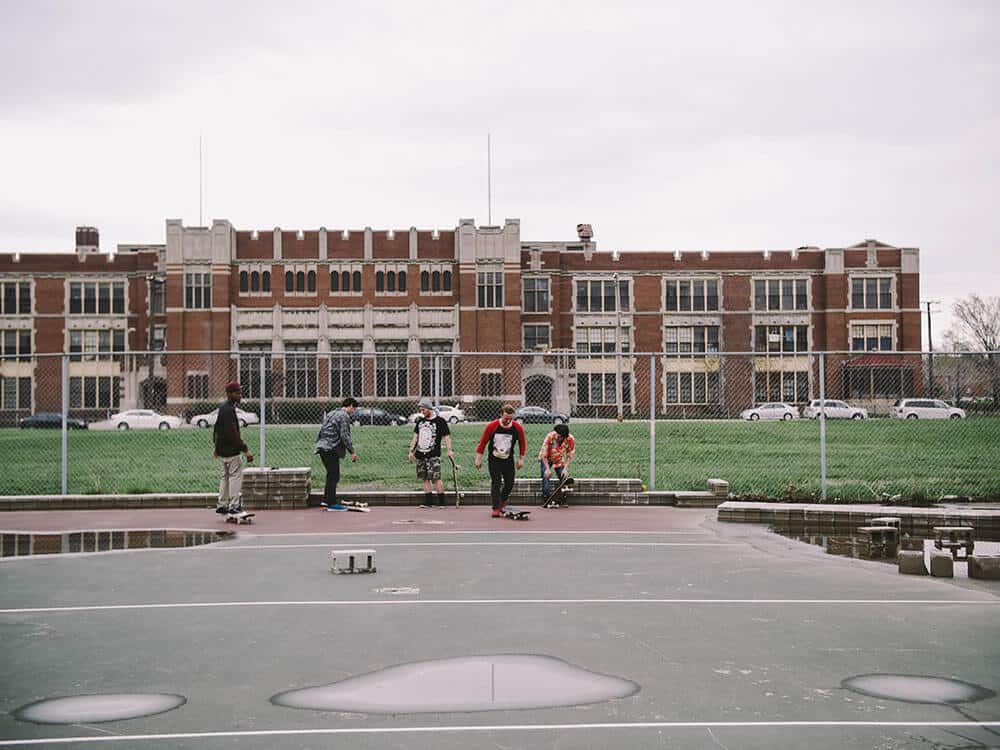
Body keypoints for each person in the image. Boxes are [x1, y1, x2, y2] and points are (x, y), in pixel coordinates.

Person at [475, 403, 526, 517]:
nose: (508, 421)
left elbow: (522, 443)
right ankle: (496, 507)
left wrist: (521, 459)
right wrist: (478, 459)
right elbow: (483, 443)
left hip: (508, 459)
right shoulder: (492, 426)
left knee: (510, 483)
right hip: (494, 459)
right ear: (501, 415)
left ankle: (502, 501)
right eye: (506, 418)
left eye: (510, 419)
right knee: (496, 482)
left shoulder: (517, 428)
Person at [213, 381, 254, 514]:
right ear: (230, 394)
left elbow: (217, 429)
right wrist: (245, 449)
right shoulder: (229, 409)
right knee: (235, 476)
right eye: (237, 393)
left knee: (224, 477)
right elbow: (233, 433)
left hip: (223, 451)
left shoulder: (223, 408)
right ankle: (234, 505)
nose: (240, 395)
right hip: (232, 451)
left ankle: (222, 504)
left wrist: (217, 447)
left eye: (240, 392)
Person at [408, 398, 455, 508]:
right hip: (420, 453)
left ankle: (441, 501)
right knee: (424, 478)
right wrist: (411, 451)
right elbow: (415, 437)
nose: (422, 411)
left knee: (435, 478)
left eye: (423, 409)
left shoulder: (440, 421)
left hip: (433, 454)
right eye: (420, 409)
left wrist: (449, 450)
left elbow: (446, 437)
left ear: (429, 408)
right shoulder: (420, 421)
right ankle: (428, 501)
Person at [315, 397, 359, 510]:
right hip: (330, 448)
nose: (353, 412)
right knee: (334, 475)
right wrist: (352, 452)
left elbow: (323, 429)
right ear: (350, 406)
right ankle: (332, 503)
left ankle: (326, 500)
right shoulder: (344, 416)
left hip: (322, 446)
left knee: (331, 474)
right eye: (353, 409)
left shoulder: (332, 413)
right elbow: (345, 435)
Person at [539, 423, 575, 506]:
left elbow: (570, 455)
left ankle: (562, 498)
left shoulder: (570, 439)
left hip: (559, 458)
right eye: (557, 435)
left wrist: (565, 468)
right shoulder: (550, 437)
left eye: (559, 436)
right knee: (546, 476)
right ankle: (546, 497)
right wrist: (547, 469)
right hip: (546, 458)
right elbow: (544, 455)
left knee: (564, 476)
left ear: (564, 437)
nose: (557, 437)